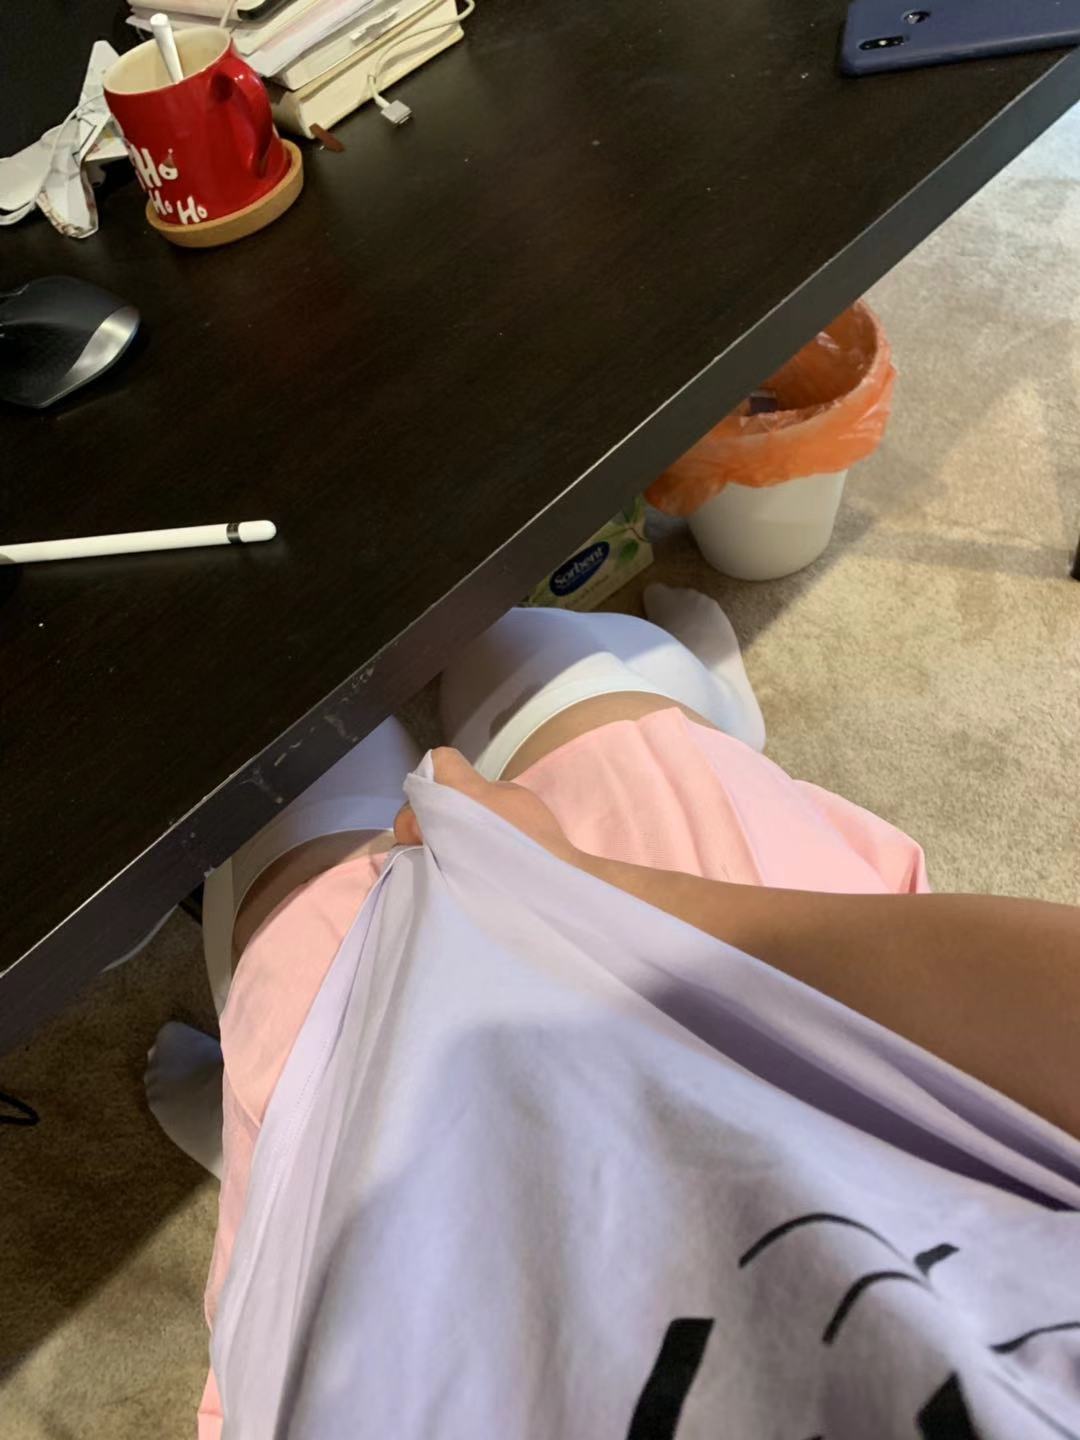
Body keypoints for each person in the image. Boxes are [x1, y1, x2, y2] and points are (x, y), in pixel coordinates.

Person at [151, 588, 1079, 1440]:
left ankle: (255, 1148)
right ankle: (706, 710)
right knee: (512, 648)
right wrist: (581, 882)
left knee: (292, 750)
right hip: (790, 1016)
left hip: (362, 1236)